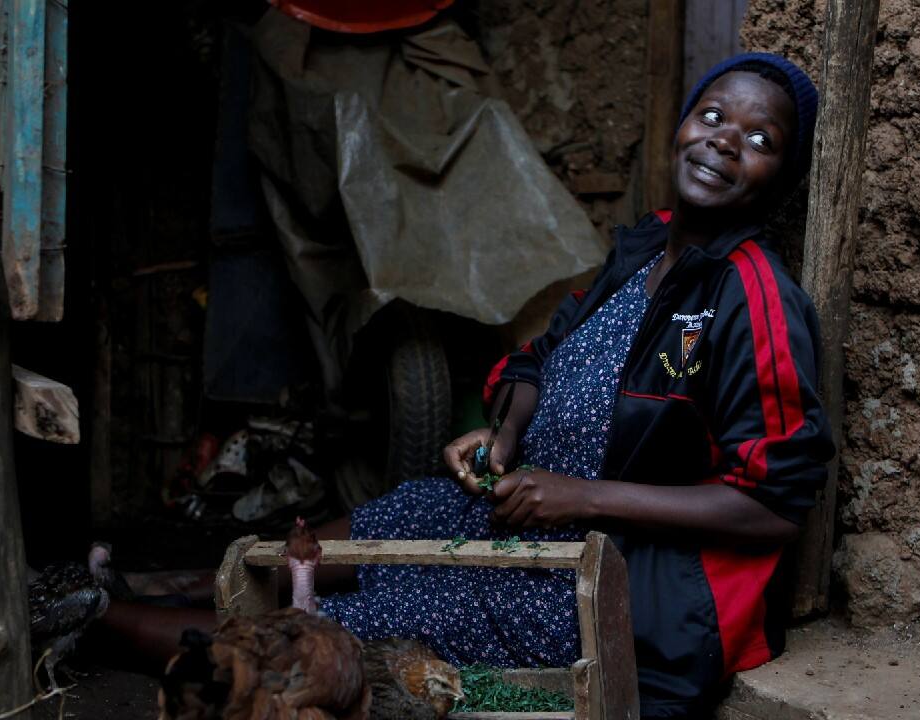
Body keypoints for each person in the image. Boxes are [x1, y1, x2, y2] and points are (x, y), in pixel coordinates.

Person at [311, 52, 835, 718]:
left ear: (780, 178)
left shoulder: (753, 296)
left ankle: (185, 639)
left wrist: (582, 497)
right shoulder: (647, 248)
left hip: (613, 577)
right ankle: (190, 587)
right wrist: (502, 435)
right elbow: (541, 355)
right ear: (682, 126)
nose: (725, 139)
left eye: (761, 140)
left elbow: (775, 505)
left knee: (321, 630)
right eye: (712, 115)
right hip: (525, 516)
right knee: (335, 540)